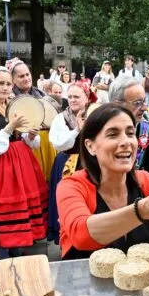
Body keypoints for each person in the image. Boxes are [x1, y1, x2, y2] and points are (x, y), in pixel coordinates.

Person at [56, 104, 149, 258]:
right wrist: (141, 210)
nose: (126, 142)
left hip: (139, 281)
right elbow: (81, 235)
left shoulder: (145, 181)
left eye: (130, 133)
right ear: (91, 147)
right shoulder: (71, 186)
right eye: (113, 134)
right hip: (82, 280)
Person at [0, 66, 48, 257]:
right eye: (1, 83)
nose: (5, 88)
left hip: (19, 162)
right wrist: (10, 127)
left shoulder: (12, 104)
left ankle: (17, 251)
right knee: (2, 208)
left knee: (20, 209)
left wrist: (30, 135)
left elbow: (30, 143)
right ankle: (3, 256)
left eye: (8, 84)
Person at [48, 81, 97, 243]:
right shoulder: (61, 118)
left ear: (87, 97)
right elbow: (59, 143)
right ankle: (66, 235)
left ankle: (91, 232)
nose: (72, 100)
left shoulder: (95, 114)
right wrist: (77, 129)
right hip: (68, 162)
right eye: (69, 97)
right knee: (67, 199)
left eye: (76, 96)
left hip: (91, 162)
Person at [110, 75, 149, 174]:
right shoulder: (100, 131)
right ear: (117, 105)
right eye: (138, 103)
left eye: (144, 101)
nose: (144, 108)